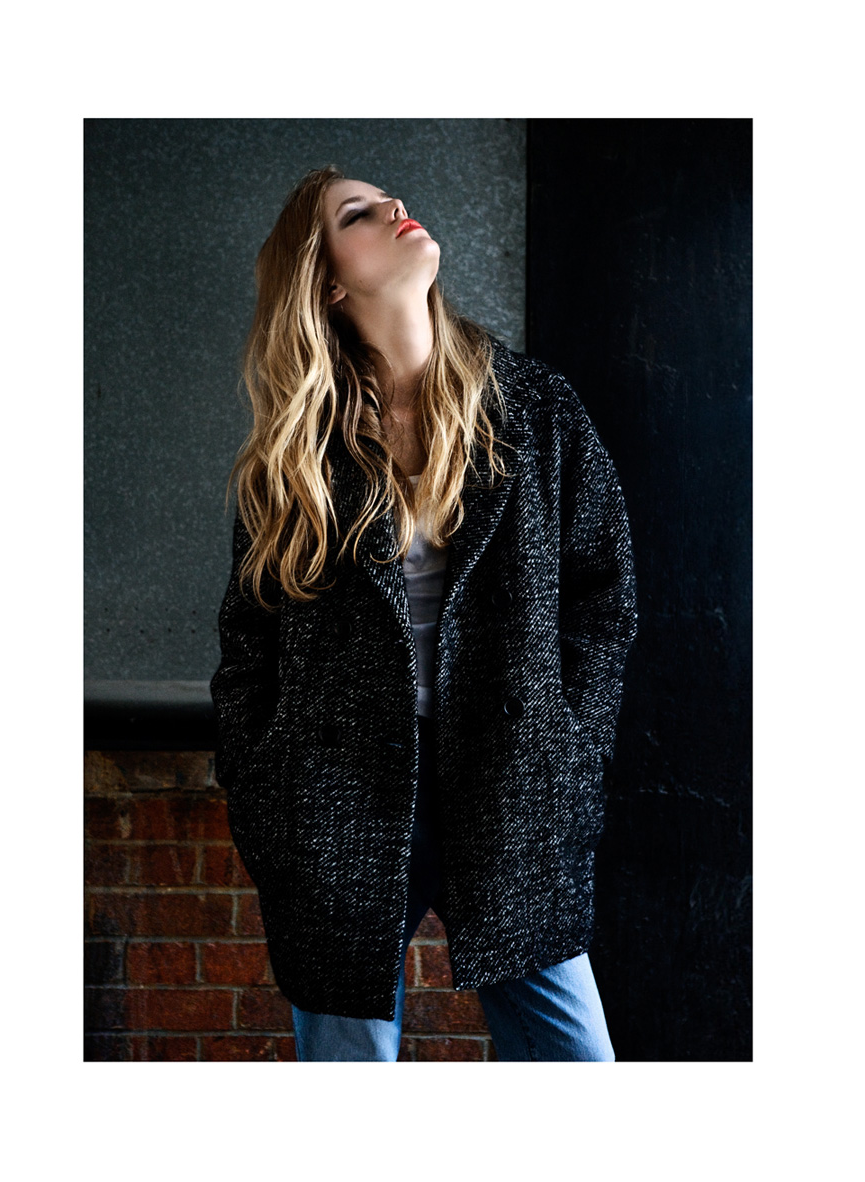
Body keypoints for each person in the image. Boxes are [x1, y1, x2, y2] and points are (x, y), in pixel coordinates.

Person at [210, 166, 637, 1061]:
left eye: (389, 198)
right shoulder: (296, 453)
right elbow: (248, 646)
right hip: (339, 797)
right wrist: (268, 796)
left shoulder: (534, 410)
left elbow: (603, 597)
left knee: (578, 1062)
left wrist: (569, 746)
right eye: (358, 215)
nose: (395, 209)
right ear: (328, 282)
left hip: (509, 780)